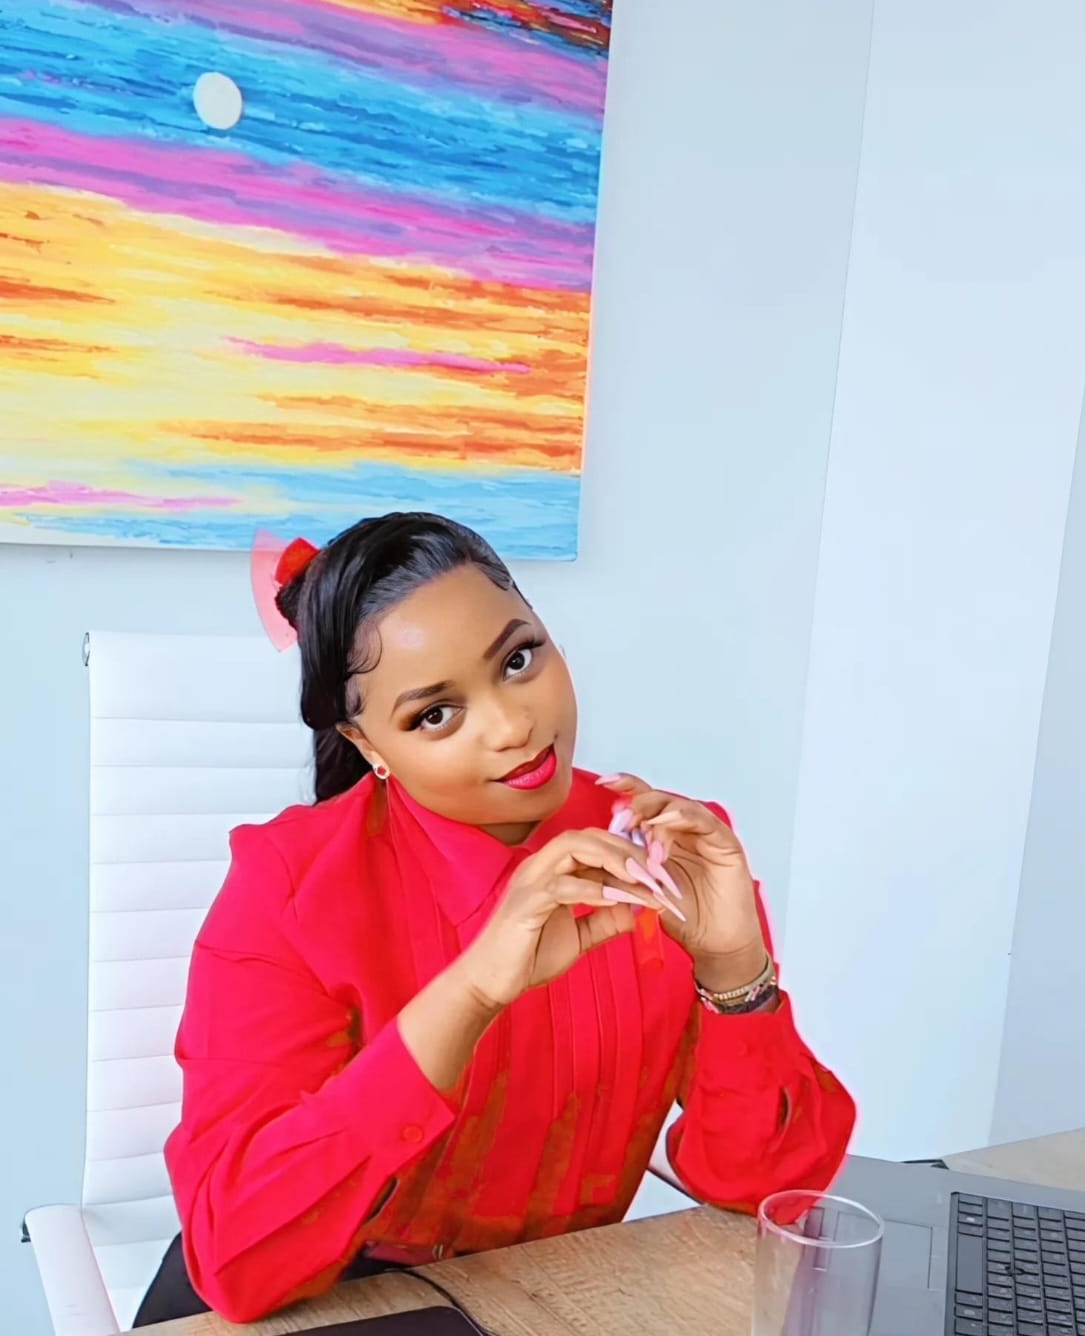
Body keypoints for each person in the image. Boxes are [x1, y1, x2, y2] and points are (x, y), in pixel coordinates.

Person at [135, 512, 855, 1325]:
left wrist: (735, 972)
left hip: (551, 1299)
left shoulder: (659, 850)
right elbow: (237, 1260)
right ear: (367, 745)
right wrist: (471, 991)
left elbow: (764, 1187)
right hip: (328, 1300)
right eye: (434, 715)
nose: (514, 727)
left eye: (518, 659)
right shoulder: (287, 887)